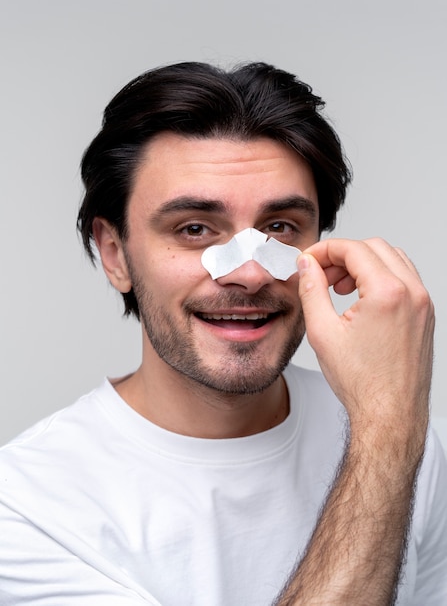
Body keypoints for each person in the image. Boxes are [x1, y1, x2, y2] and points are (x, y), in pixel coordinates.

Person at [0, 62, 446, 606]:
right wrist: (387, 435)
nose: (250, 272)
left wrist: (391, 427)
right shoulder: (26, 506)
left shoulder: (411, 442)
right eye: (193, 229)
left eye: (280, 228)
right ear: (115, 255)